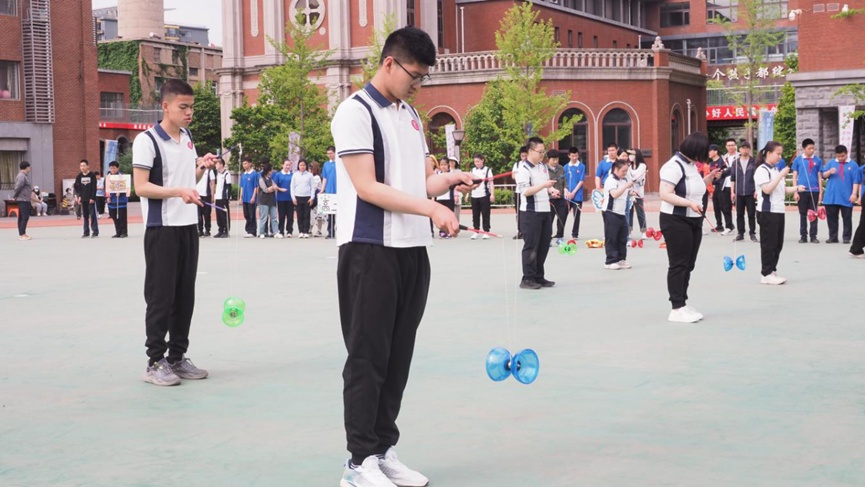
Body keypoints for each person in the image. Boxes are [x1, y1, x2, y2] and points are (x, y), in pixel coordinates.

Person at [330, 26, 475, 487]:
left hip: (413, 250)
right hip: (370, 250)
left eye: (424, 78)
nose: (419, 85)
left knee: (398, 357)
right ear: (389, 63)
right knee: (368, 356)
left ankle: (383, 448)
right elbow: (368, 187)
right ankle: (358, 463)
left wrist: (449, 183)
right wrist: (432, 208)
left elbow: (415, 186)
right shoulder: (354, 112)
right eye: (415, 75)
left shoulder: (410, 114)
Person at [131, 78, 218, 386]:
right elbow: (140, 186)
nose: (189, 113)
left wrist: (201, 168)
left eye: (191, 107)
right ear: (165, 106)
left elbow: (185, 177)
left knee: (185, 296)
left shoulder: (187, 137)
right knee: (160, 296)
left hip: (187, 226)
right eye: (183, 107)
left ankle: (177, 357)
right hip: (161, 229)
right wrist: (179, 191)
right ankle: (154, 361)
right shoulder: (147, 141)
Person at [659, 132, 719, 323]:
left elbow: (694, 187)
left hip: (694, 219)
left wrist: (709, 177)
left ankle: (683, 303)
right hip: (676, 220)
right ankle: (676, 308)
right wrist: (688, 204)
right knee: (678, 264)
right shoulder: (672, 167)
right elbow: (665, 194)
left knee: (689, 263)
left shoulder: (691, 165)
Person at [754, 141, 800, 285]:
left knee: (777, 244)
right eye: (777, 154)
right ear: (768, 153)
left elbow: (783, 190)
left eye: (781, 153)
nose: (780, 157)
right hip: (768, 211)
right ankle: (766, 273)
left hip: (779, 210)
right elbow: (767, 189)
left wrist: (797, 188)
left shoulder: (774, 170)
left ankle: (772, 270)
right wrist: (781, 175)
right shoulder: (762, 170)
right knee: (769, 244)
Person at [517, 136, 557, 290]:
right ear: (530, 151)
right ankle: (527, 278)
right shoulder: (523, 169)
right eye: (540, 152)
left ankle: (539, 276)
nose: (542, 154)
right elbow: (525, 191)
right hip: (530, 213)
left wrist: (551, 190)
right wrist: (543, 185)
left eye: (543, 151)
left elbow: (545, 185)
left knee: (544, 244)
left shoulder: (542, 167)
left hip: (545, 211)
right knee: (531, 246)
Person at [821, 145, 862, 244]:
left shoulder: (853, 165)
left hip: (846, 196)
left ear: (846, 153)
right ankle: (833, 236)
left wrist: (854, 194)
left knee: (847, 218)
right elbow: (823, 175)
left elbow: (856, 181)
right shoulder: (831, 163)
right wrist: (829, 172)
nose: (840, 158)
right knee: (832, 218)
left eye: (842, 156)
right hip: (831, 196)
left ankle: (846, 237)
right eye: (838, 156)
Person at [602, 159, 634, 270]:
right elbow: (614, 194)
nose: (625, 173)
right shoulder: (611, 180)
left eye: (626, 171)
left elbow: (625, 193)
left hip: (621, 213)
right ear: (616, 169)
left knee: (622, 237)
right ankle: (610, 261)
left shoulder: (623, 180)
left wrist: (631, 192)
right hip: (611, 212)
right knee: (612, 237)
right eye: (623, 171)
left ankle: (621, 259)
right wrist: (625, 187)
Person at [791, 138, 823, 243]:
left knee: (814, 213)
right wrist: (795, 191)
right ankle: (803, 236)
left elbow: (819, 176)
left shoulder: (817, 160)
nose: (812, 150)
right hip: (802, 190)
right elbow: (794, 176)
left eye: (813, 148)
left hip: (814, 191)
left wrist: (820, 191)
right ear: (804, 148)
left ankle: (813, 236)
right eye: (809, 148)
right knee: (803, 213)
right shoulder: (798, 160)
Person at [730, 141, 757, 242]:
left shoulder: (754, 162)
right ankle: (740, 233)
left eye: (746, 148)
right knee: (739, 214)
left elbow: (757, 178)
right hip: (739, 192)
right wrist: (732, 192)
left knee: (751, 214)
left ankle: (752, 233)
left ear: (749, 149)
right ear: (739, 149)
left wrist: (756, 190)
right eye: (743, 148)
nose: (744, 150)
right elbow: (733, 178)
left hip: (750, 192)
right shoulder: (735, 162)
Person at [708, 144, 734, 234]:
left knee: (725, 206)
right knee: (716, 206)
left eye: (710, 151)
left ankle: (729, 225)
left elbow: (729, 170)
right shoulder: (710, 164)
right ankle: (719, 225)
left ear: (715, 151)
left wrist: (721, 174)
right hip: (715, 187)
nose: (708, 153)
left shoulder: (722, 160)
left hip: (723, 185)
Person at [469, 153, 494, 239]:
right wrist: (468, 194)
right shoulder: (472, 170)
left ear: (482, 160)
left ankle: (486, 231)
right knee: (475, 215)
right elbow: (470, 183)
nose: (477, 163)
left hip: (484, 195)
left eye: (478, 161)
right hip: (474, 196)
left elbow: (491, 183)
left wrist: (492, 194)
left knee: (485, 214)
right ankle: (476, 231)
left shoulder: (487, 170)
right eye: (475, 162)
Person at [547, 150, 568, 246]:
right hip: (550, 200)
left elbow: (564, 182)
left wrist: (566, 189)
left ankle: (560, 237)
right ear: (549, 159)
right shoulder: (544, 169)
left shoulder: (561, 168)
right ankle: (547, 239)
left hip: (561, 198)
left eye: (557, 159)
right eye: (553, 159)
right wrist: (551, 192)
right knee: (549, 220)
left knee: (562, 218)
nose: (555, 161)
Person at [563, 147, 585, 240]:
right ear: (569, 156)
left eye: (576, 155)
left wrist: (574, 192)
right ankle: (560, 232)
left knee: (576, 215)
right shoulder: (565, 167)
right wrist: (566, 191)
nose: (574, 157)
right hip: (567, 196)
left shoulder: (581, 166)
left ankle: (575, 234)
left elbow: (581, 180)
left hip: (578, 195)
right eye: (572, 156)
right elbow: (563, 181)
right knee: (563, 214)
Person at [626, 149, 648, 240]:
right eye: (629, 154)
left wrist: (632, 180)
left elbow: (637, 178)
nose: (630, 156)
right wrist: (630, 188)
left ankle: (643, 231)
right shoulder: (628, 166)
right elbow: (627, 178)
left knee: (640, 212)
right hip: (630, 192)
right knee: (629, 213)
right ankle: (629, 231)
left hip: (639, 193)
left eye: (632, 154)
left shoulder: (642, 166)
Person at [74, 159, 99, 238]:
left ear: (88, 166)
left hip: (90, 199)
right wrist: (79, 197)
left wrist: (92, 198)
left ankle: (95, 231)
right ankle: (86, 232)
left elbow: (94, 188)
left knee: (92, 215)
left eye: (84, 166)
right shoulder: (79, 176)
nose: (82, 167)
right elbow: (77, 187)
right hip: (83, 198)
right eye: (81, 166)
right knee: (85, 216)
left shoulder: (92, 175)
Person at [291, 159, 315, 238]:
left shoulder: (310, 175)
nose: (302, 167)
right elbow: (292, 187)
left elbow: (312, 187)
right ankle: (300, 231)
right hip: (298, 197)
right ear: (298, 166)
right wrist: (293, 197)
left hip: (307, 197)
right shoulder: (295, 175)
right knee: (299, 215)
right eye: (301, 165)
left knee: (306, 215)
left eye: (304, 165)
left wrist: (312, 197)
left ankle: (306, 231)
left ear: (306, 166)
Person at [106, 161, 129, 238]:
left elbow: (127, 187)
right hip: (112, 200)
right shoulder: (108, 177)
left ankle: (124, 232)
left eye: (114, 168)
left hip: (121, 200)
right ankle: (118, 232)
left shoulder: (122, 176)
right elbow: (106, 189)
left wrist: (121, 192)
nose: (112, 169)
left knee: (122, 217)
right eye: (111, 168)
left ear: (117, 168)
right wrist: (108, 197)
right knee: (114, 217)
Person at [272, 158, 294, 238]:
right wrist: (281, 189)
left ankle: (289, 231)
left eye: (289, 165)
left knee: (290, 216)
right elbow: (274, 185)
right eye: (286, 165)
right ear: (282, 165)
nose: (288, 166)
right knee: (281, 216)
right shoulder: (278, 175)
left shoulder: (292, 175)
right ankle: (281, 231)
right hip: (281, 198)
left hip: (290, 198)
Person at [434, 158, 455, 238]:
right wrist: (433, 197)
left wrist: (456, 195)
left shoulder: (452, 173)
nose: (443, 167)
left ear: (448, 165)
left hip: (449, 198)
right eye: (441, 165)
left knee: (449, 215)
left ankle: (449, 230)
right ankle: (442, 231)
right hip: (439, 198)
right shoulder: (437, 173)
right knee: (441, 215)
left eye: (444, 165)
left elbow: (455, 185)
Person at [257, 160, 278, 238]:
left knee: (274, 217)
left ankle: (276, 232)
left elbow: (275, 186)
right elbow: (265, 189)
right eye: (271, 169)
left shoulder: (270, 178)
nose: (272, 171)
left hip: (271, 200)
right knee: (264, 217)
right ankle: (261, 232)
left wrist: (275, 188)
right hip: (264, 201)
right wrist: (272, 188)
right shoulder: (261, 179)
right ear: (268, 170)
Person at [239, 156, 259, 237]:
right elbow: (242, 187)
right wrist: (240, 197)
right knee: (246, 214)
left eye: (245, 163)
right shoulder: (243, 175)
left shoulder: (254, 174)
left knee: (252, 214)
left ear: (250, 164)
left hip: (251, 198)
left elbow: (256, 186)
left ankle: (252, 230)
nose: (244, 165)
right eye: (243, 164)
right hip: (245, 198)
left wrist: (253, 197)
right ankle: (248, 230)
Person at [13, 161, 32, 241]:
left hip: (25, 198)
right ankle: (22, 234)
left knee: (22, 217)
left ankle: (22, 233)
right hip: (23, 199)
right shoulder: (21, 176)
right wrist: (15, 196)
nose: (30, 168)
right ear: (26, 167)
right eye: (29, 167)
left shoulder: (24, 176)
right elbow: (18, 186)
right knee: (25, 217)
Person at [213, 158, 232, 238]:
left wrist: (227, 197)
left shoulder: (226, 174)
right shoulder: (218, 174)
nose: (215, 165)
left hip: (223, 197)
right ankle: (220, 229)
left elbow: (229, 186)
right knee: (218, 214)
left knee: (224, 214)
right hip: (217, 197)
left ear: (221, 164)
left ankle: (226, 230)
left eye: (217, 164)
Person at [321, 145, 338, 239]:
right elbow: (325, 178)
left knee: (340, 213)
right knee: (330, 213)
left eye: (331, 153)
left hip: (339, 190)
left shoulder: (340, 163)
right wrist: (322, 190)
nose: (329, 155)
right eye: (328, 154)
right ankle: (330, 231)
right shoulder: (326, 164)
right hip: (329, 191)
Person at [196, 160, 215, 237]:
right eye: (198, 161)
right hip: (197, 195)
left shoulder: (209, 171)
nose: (199, 162)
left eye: (201, 160)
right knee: (198, 215)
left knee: (207, 214)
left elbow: (212, 183)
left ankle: (207, 230)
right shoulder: (195, 171)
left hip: (206, 195)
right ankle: (200, 230)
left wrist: (212, 195)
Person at [512, 146, 528, 239]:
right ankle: (520, 231)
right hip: (518, 191)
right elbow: (513, 176)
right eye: (522, 156)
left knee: (527, 211)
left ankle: (527, 231)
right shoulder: (517, 164)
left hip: (527, 191)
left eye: (526, 156)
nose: (524, 158)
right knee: (518, 212)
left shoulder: (531, 165)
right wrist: (520, 177)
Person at [310, 161, 325, 237]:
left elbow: (314, 187)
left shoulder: (317, 177)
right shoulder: (310, 176)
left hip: (317, 198)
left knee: (319, 215)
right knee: (311, 214)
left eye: (311, 167)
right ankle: (310, 229)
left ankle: (319, 230)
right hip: (312, 197)